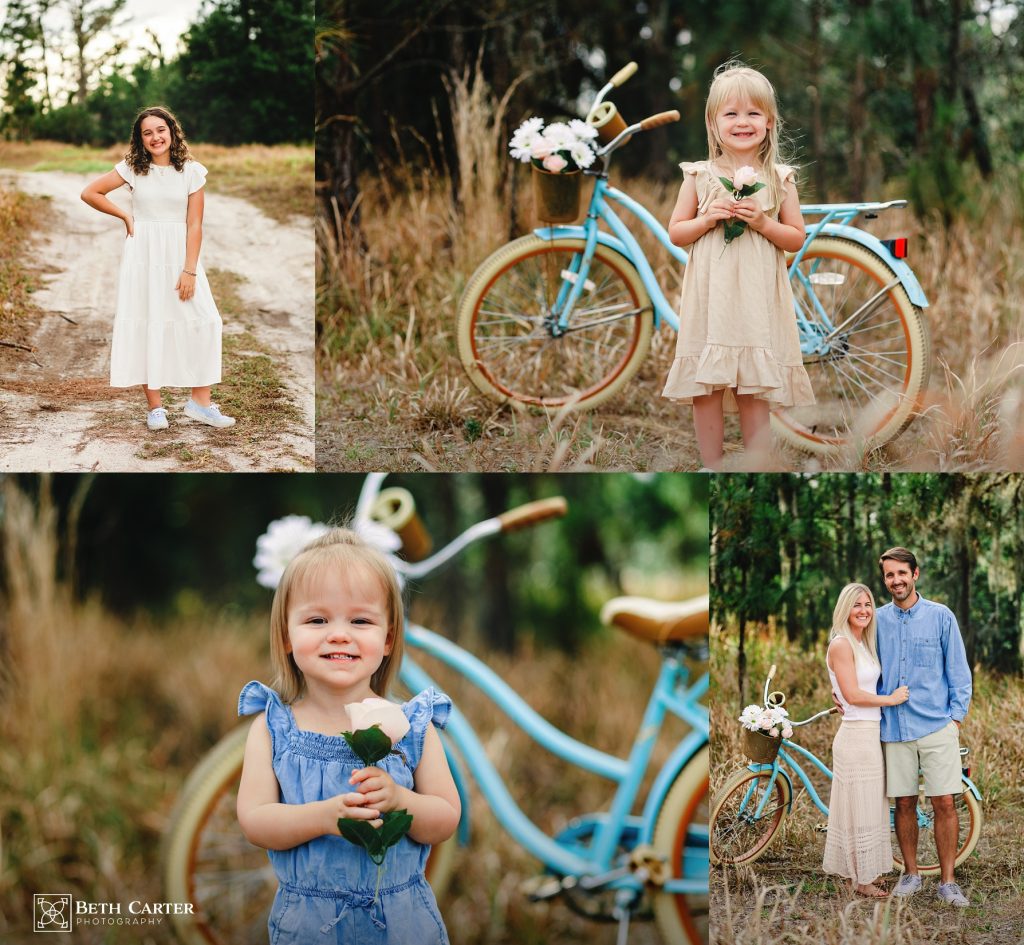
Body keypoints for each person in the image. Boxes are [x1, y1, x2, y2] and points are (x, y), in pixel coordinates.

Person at [236, 529, 459, 944]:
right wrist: (323, 817)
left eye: (360, 620)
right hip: (309, 925)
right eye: (317, 620)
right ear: (286, 635)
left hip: (402, 924)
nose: (339, 634)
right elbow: (255, 821)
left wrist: (400, 800)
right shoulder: (273, 728)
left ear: (388, 639)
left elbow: (445, 817)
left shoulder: (411, 726)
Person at [661, 62, 814, 470]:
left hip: (755, 301)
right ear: (713, 124)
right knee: (706, 385)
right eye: (731, 113)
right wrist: (708, 218)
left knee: (753, 385)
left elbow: (796, 238)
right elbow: (677, 232)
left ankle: (755, 462)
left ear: (769, 122)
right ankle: (711, 463)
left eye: (752, 113)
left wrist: (764, 222)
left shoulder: (779, 179)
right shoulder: (699, 175)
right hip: (712, 299)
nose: (742, 122)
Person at [81, 105, 235, 431]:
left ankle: (200, 403)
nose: (155, 137)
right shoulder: (132, 169)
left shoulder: (192, 172)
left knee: (205, 320)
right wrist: (125, 215)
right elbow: (90, 192)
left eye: (160, 130)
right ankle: (155, 408)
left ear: (172, 131)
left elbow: (194, 225)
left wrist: (189, 270)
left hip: (179, 255)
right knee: (148, 322)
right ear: (140, 138)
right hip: (143, 254)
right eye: (147, 132)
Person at [874, 547, 972, 906]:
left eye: (902, 573)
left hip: (936, 725)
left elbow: (959, 672)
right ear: (884, 579)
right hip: (895, 726)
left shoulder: (941, 616)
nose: (896, 580)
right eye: (889, 575)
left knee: (944, 801)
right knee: (903, 802)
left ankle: (947, 882)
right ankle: (911, 874)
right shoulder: (877, 620)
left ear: (915, 574)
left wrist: (955, 719)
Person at [822, 583, 909, 897]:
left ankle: (858, 875)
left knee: (867, 807)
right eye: (856, 605)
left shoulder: (864, 642)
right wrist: (893, 699)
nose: (863, 611)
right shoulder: (842, 644)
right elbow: (854, 695)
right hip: (856, 737)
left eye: (868, 605)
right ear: (845, 609)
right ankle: (861, 881)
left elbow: (849, 690)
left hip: (869, 733)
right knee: (861, 808)